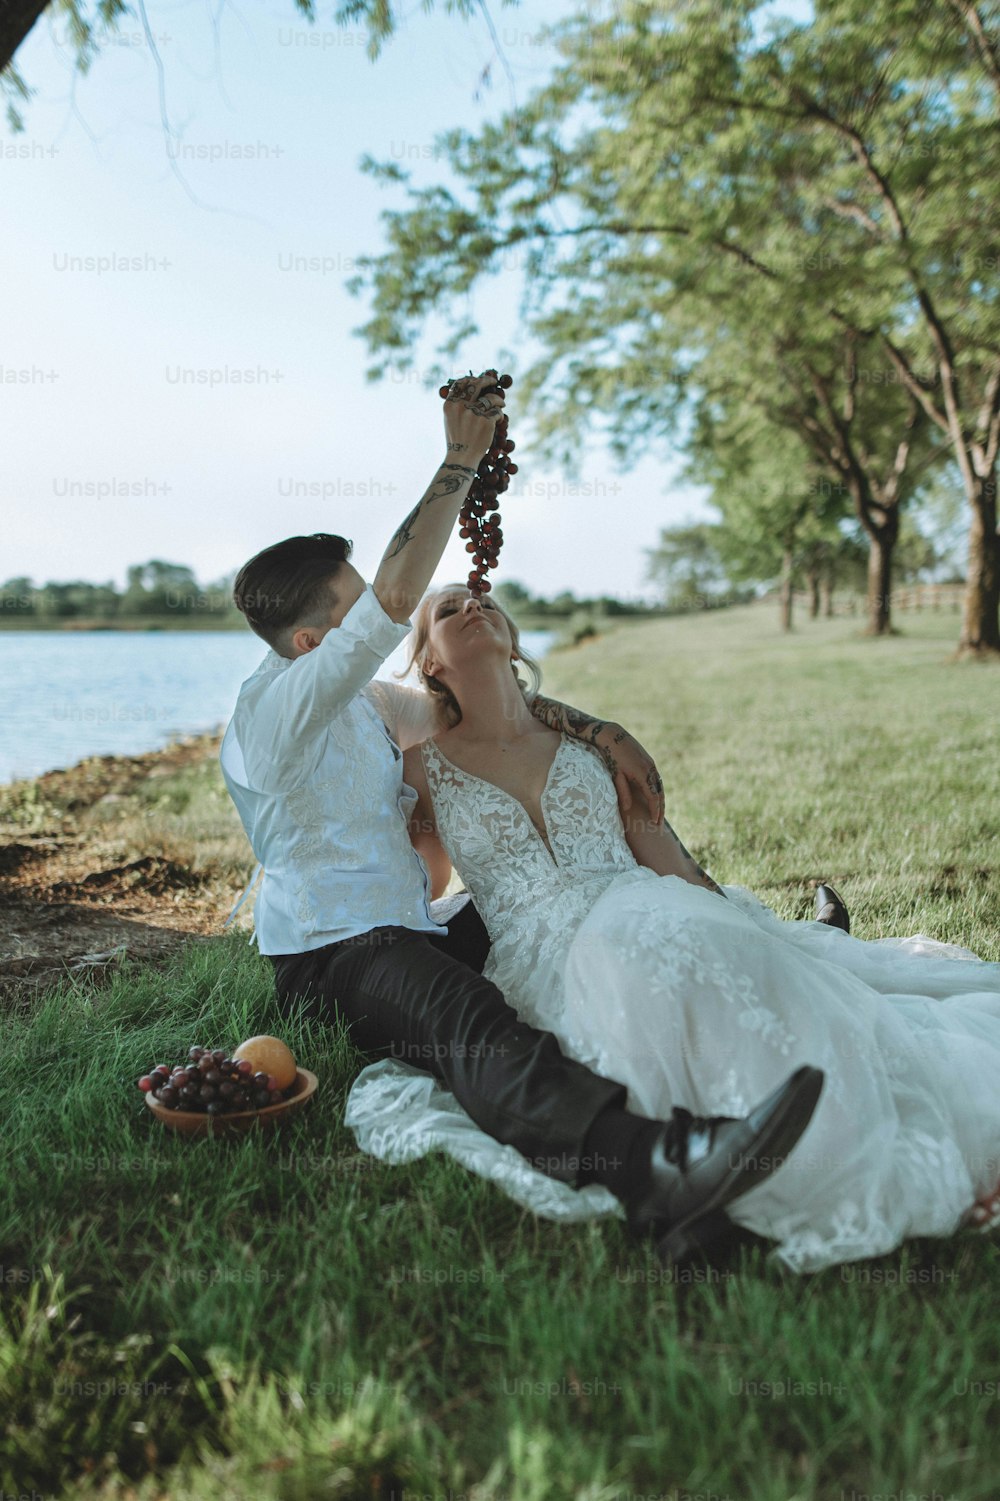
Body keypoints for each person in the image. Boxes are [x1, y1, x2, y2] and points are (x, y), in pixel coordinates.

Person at [219, 370, 824, 1265]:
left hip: (408, 925)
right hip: (331, 954)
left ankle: (753, 966)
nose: (383, 617)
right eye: (356, 609)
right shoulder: (270, 719)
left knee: (566, 898)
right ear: (312, 642)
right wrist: (460, 459)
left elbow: (479, 712)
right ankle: (656, 1164)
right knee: (466, 1016)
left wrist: (601, 729)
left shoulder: (366, 704)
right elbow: (396, 603)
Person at [343, 582, 1000, 1273]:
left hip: (648, 903)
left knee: (715, 954)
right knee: (641, 1003)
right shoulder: (426, 762)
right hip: (544, 959)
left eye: (481, 602)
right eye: (446, 610)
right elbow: (425, 881)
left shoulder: (589, 744)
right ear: (430, 661)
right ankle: (731, 1157)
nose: (470, 608)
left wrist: (742, 918)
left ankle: (840, 1124)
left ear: (510, 635)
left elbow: (666, 856)